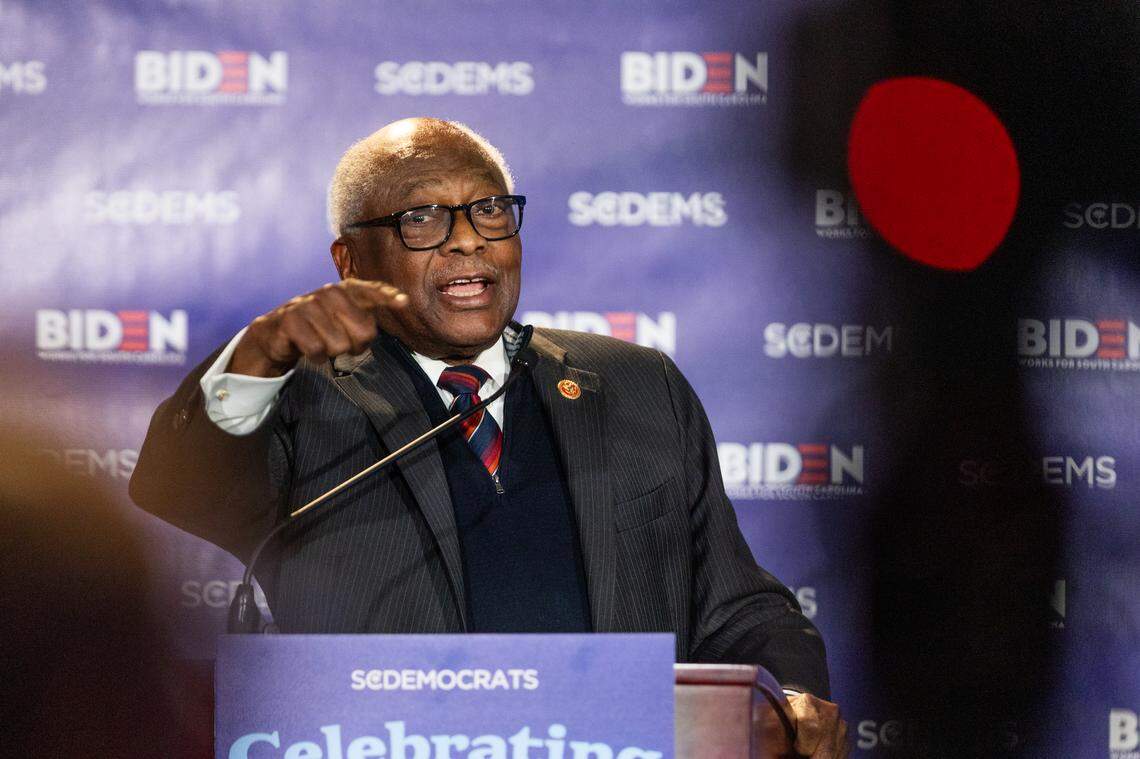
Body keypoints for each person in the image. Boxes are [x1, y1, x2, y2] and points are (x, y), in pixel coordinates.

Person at [130, 117, 848, 758]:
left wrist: (789, 690)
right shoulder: (300, 396)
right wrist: (259, 354)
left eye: (490, 210)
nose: (469, 238)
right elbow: (178, 483)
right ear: (349, 261)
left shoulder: (638, 385)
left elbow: (734, 603)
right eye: (422, 219)